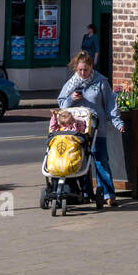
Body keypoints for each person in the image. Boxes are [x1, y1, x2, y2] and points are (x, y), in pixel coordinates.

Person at [57, 51, 125, 206]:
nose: (82, 73)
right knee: (81, 162)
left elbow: (110, 105)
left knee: (101, 161)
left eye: (85, 70)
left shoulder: (101, 82)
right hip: (77, 131)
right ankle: (86, 193)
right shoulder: (71, 83)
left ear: (91, 68)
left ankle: (108, 194)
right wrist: (71, 99)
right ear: (76, 68)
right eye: (80, 70)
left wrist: (118, 123)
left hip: (97, 130)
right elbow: (61, 104)